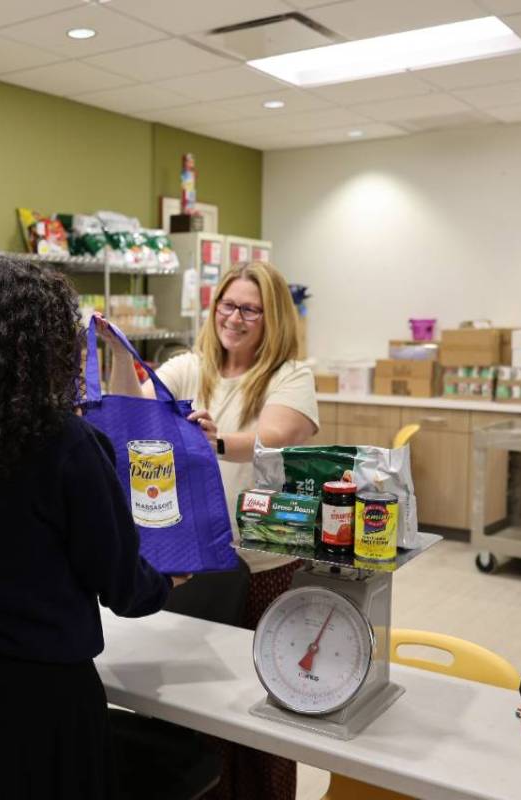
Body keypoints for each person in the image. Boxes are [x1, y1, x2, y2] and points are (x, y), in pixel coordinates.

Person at [0, 254, 182, 800]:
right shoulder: (66, 445)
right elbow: (122, 585)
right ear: (44, 345)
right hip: (42, 689)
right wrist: (166, 582)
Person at [104, 261, 319, 800]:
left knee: (266, 704)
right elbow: (131, 410)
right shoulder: (189, 368)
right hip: (194, 559)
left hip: (264, 563)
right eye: (227, 304)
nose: (235, 318)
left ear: (273, 318)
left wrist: (213, 441)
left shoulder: (291, 375)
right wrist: (116, 352)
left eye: (250, 309)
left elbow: (273, 436)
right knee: (200, 702)